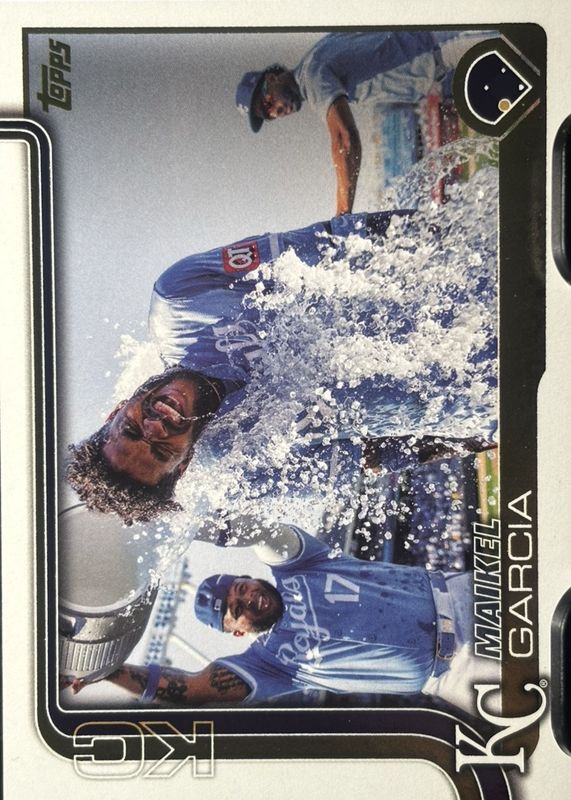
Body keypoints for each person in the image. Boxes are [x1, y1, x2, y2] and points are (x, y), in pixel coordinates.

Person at [65, 207, 497, 525]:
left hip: (477, 277)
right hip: (487, 393)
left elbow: (337, 240)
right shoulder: (240, 472)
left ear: (115, 411)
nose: (155, 428)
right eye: (160, 451)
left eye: (132, 429)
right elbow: (375, 455)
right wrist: (483, 434)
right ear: (183, 464)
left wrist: (458, 231)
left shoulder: (182, 299)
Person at [68, 517, 490, 713]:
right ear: (235, 631)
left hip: (463, 598)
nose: (248, 599)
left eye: (241, 588)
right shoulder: (269, 663)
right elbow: (193, 689)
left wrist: (182, 522)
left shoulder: (298, 565)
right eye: (236, 609)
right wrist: (106, 670)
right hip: (457, 675)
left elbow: (262, 533)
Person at [236, 30, 496, 214]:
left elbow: (344, 140)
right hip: (443, 70)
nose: (274, 112)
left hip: (446, 49)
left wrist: (342, 213)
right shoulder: (314, 57)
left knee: (517, 55)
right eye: (268, 116)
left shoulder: (311, 77)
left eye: (267, 103)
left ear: (271, 78)